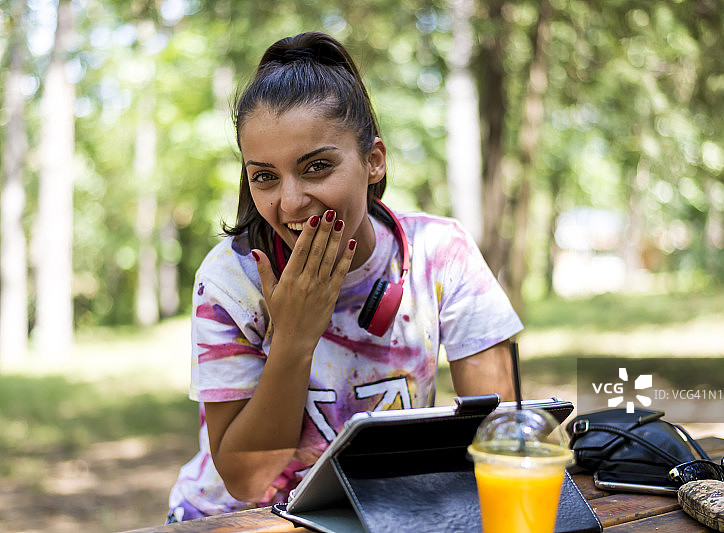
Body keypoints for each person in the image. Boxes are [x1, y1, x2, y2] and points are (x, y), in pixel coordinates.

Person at [167, 31, 523, 522]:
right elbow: (248, 480)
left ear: (373, 161)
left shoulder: (441, 253)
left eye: (316, 167)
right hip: (235, 520)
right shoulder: (231, 280)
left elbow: (501, 436)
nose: (289, 202)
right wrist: (292, 337)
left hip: (384, 514)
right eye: (264, 176)